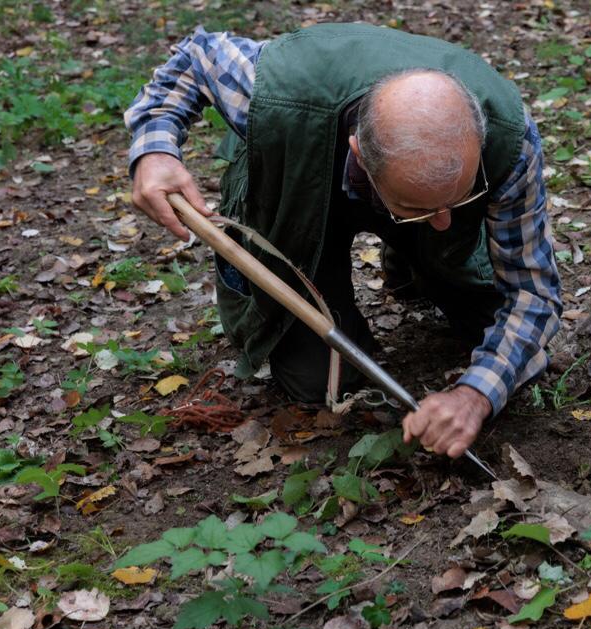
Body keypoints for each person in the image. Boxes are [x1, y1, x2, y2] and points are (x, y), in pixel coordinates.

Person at [124, 23, 561, 459]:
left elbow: (532, 294)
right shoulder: (276, 90)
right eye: (419, 208)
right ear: (359, 154)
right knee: (315, 378)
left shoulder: (508, 138)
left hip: (390, 180)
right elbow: (196, 55)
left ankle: (414, 256)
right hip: (300, 174)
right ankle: (396, 242)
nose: (447, 223)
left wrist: (475, 396)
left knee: (494, 322)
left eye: (462, 196)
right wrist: (153, 148)